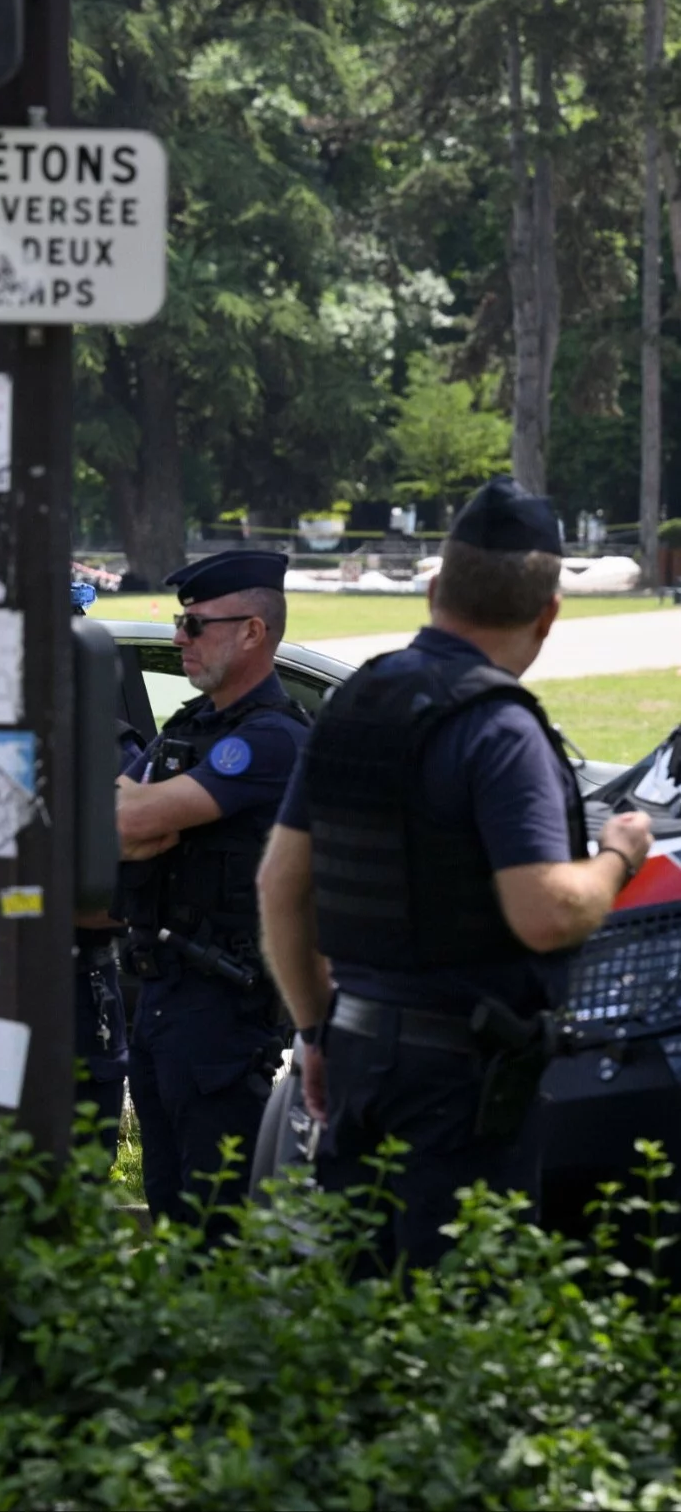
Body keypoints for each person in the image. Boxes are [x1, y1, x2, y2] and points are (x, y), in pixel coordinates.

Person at [260, 478, 651, 1272]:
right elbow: (546, 913)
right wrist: (618, 855)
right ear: (548, 615)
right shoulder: (501, 731)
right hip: (459, 1087)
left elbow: (279, 884)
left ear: (436, 588)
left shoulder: (354, 702)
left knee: (363, 1312)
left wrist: (315, 1033)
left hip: (358, 1055)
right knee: (457, 1317)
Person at [117, 549, 308, 1231]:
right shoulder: (190, 726)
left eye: (195, 625)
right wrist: (146, 820)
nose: (178, 638)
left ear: (252, 631)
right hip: (162, 1000)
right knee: (169, 1212)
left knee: (220, 1227)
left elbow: (132, 815)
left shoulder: (271, 739)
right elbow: (113, 820)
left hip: (225, 1011)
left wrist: (147, 819)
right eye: (179, 621)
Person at [0, 585, 127, 1150]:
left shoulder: (110, 756)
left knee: (72, 1174)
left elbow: (116, 906)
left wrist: (12, 898)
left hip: (72, 995)